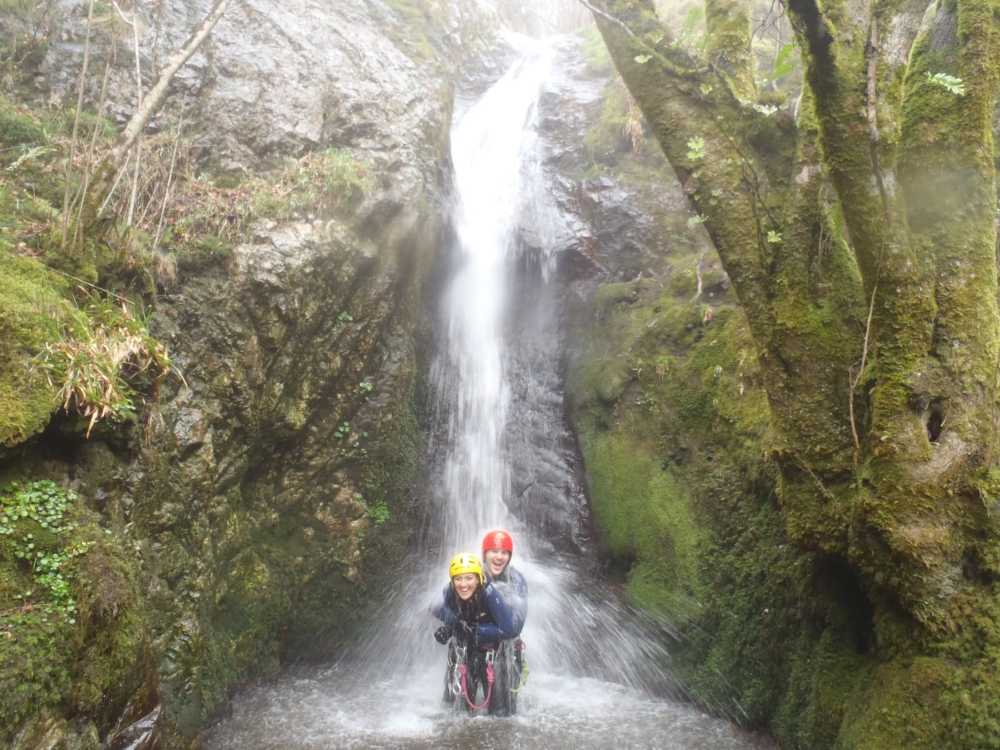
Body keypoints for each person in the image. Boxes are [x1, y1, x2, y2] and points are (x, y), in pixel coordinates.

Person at [432, 552, 522, 715]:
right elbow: (439, 609)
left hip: (493, 654)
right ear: (452, 581)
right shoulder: (450, 592)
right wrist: (449, 629)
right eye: (458, 579)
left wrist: (477, 631)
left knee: (501, 714)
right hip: (463, 652)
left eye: (469, 578)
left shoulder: (489, 595)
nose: (463, 584)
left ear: (479, 578)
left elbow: (508, 629)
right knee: (455, 711)